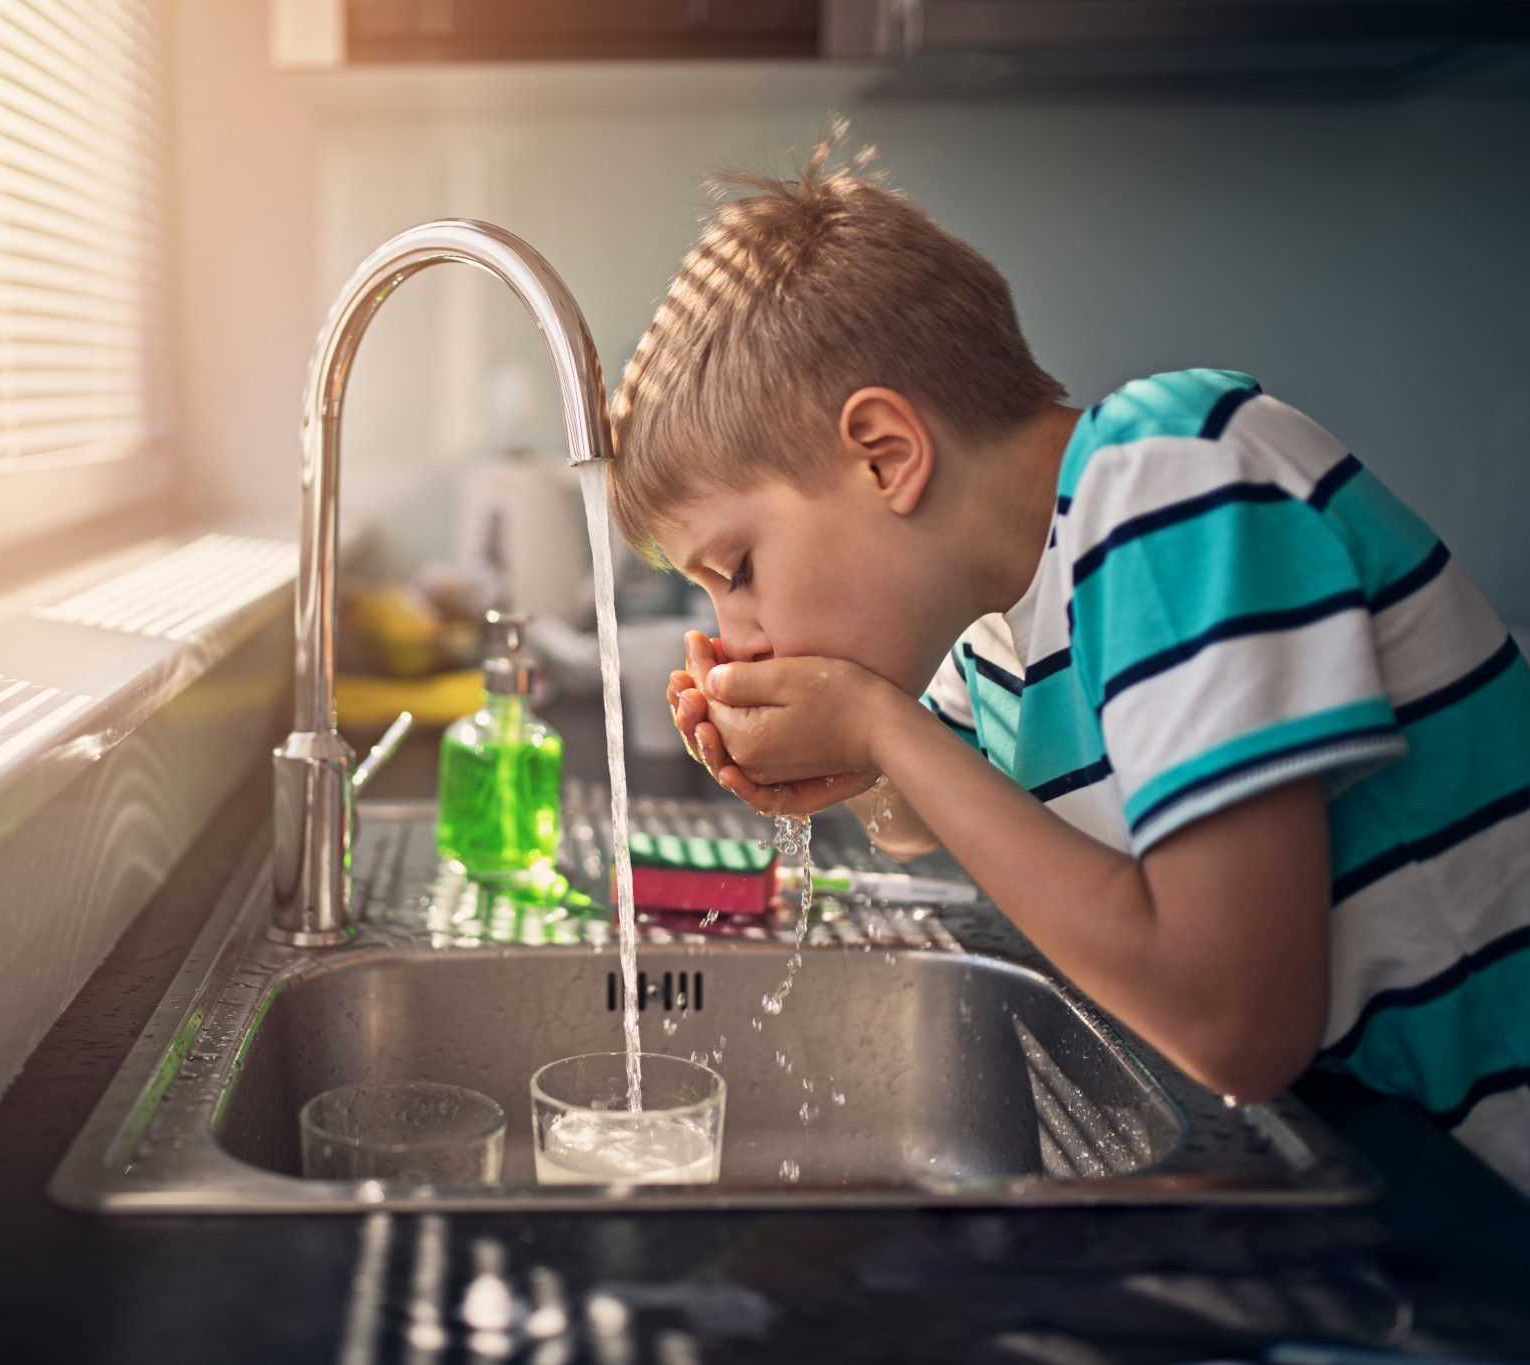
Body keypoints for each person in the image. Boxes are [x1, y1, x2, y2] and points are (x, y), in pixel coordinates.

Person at [612, 123, 1530, 1193]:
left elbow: (1233, 1027)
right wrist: (841, 770)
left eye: (735, 568)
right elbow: (922, 821)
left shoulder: (1167, 481)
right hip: (1422, 1152)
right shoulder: (999, 614)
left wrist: (875, 727)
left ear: (884, 455)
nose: (734, 633)